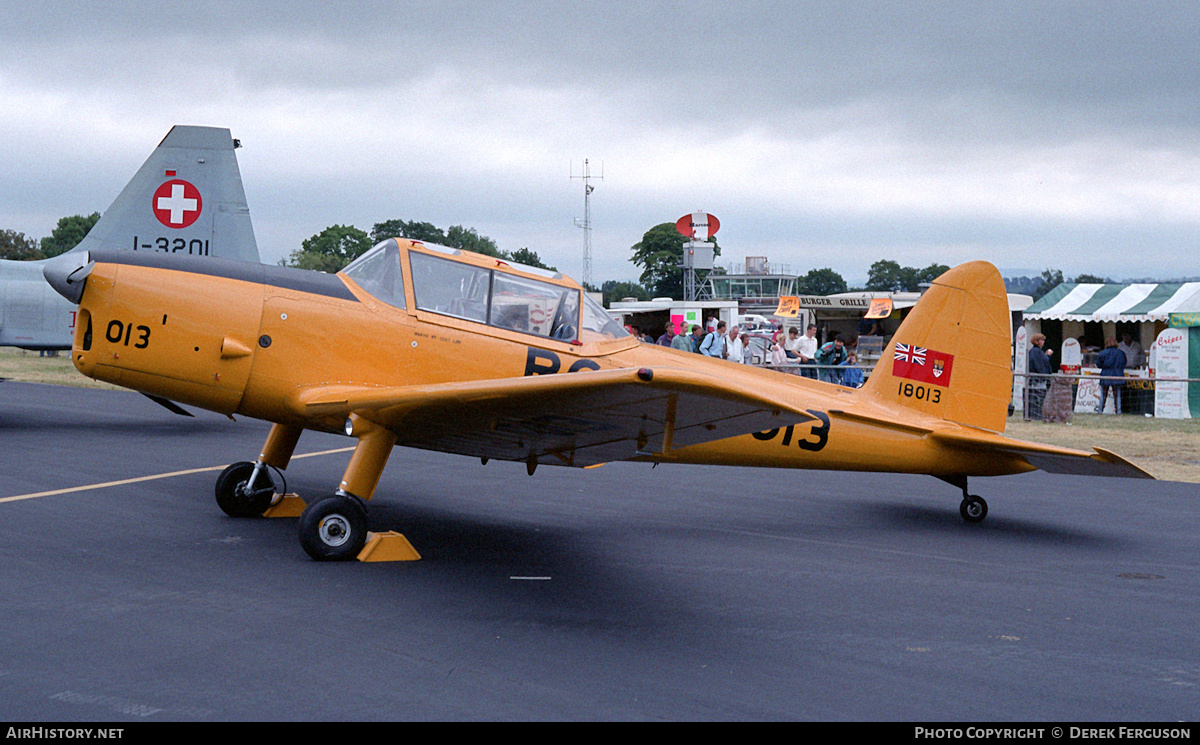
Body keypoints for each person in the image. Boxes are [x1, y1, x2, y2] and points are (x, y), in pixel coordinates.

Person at [1096, 337, 1127, 414]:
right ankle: (1118, 411)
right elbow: (1124, 363)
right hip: (1117, 374)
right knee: (1117, 394)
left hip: (1106, 374)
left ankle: (1100, 410)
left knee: (1103, 394)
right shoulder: (1121, 353)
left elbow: (1098, 364)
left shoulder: (1103, 353)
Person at [1027, 332, 1054, 420]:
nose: (1043, 342)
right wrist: (1048, 356)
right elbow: (1040, 364)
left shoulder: (1035, 351)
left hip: (1036, 379)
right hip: (1037, 380)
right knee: (1039, 398)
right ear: (1037, 341)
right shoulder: (1036, 351)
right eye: (1042, 340)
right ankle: (1037, 415)